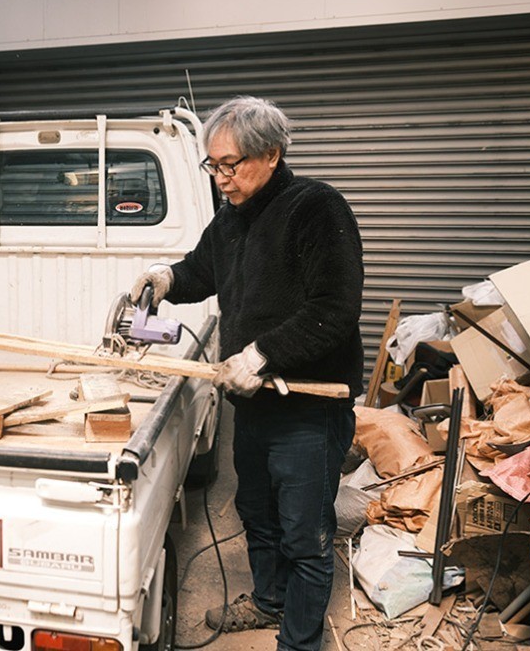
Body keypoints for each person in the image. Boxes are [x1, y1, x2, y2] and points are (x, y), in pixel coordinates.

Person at [131, 95, 364, 651]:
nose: (220, 179)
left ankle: (300, 642)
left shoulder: (317, 208)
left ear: (273, 154)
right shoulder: (233, 217)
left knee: (305, 535)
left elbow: (335, 309)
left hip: (308, 409)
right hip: (255, 405)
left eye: (230, 165)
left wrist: (261, 355)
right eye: (212, 166)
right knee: (255, 509)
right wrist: (165, 278)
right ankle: (268, 601)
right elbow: (201, 270)